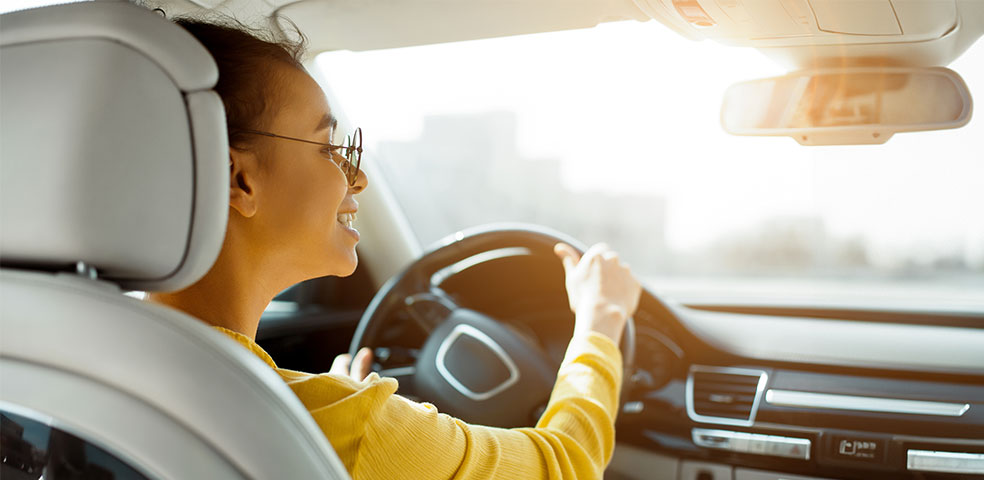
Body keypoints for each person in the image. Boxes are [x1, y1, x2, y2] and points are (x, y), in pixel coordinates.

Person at [146, 17, 642, 480]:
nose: (357, 178)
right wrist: (601, 322)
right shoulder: (342, 426)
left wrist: (335, 406)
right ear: (240, 180)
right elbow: (564, 463)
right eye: (327, 149)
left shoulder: (100, 356)